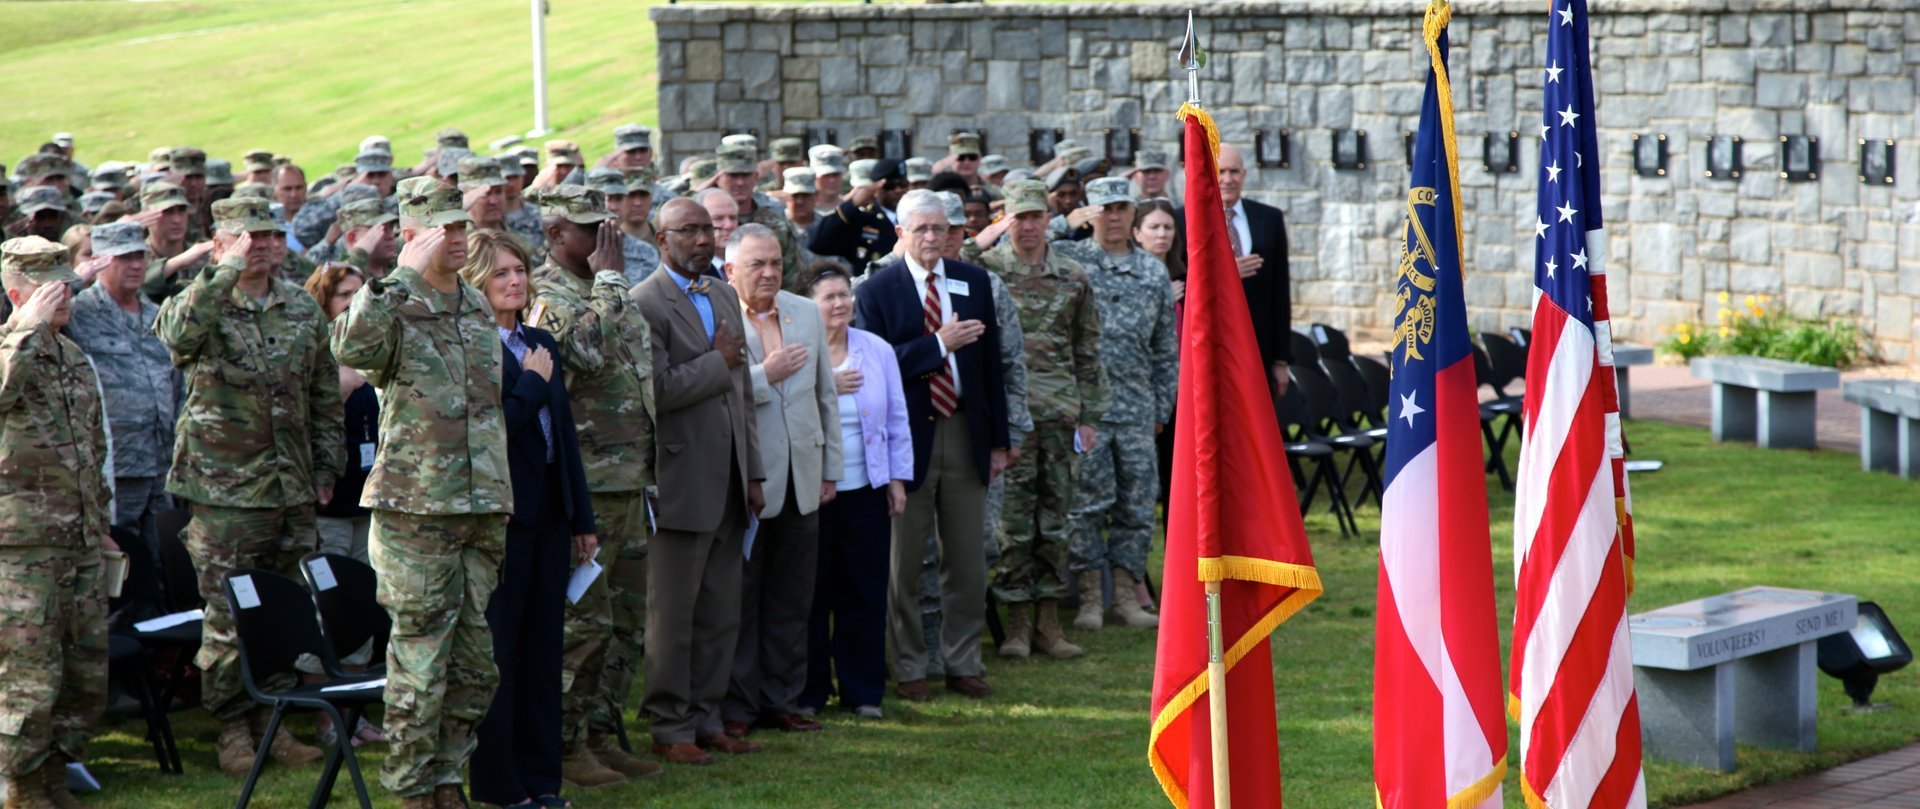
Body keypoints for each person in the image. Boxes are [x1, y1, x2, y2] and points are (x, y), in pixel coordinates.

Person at [329, 177, 512, 809]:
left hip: (481, 504)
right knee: (420, 660)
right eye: (445, 228)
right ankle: (410, 791)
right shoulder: (392, 301)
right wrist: (395, 279)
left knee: (473, 664)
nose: (460, 238)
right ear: (412, 234)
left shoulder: (475, 303)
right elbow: (350, 351)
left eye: (463, 226)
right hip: (416, 507)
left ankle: (446, 779)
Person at [154, 197, 342, 778]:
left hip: (291, 486)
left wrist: (327, 466)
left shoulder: (299, 308)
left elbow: (323, 392)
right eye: (249, 237)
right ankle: (233, 730)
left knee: (285, 610)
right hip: (226, 491)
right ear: (221, 244)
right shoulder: (204, 299)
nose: (262, 247)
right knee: (229, 617)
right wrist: (223, 272)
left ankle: (275, 723)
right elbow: (177, 338)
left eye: (270, 236)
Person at [526, 185, 661, 787]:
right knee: (583, 624)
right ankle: (564, 743)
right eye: (590, 228)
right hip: (587, 486)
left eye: (606, 225)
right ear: (556, 236)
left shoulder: (606, 286)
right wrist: (609, 283)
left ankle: (602, 734)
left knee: (627, 621)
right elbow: (583, 356)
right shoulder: (544, 293)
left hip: (629, 476)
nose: (607, 237)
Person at [852, 190, 1008, 701]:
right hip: (907, 438)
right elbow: (878, 365)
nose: (931, 238)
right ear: (900, 233)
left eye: (939, 229)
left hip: (966, 432)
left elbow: (990, 368)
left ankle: (963, 660)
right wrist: (939, 344)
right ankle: (911, 666)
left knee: (967, 557)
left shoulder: (973, 280)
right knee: (904, 561)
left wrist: (1000, 441)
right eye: (920, 229)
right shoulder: (878, 289)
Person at [464, 229, 599, 809]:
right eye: (501, 273)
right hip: (502, 517)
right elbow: (493, 430)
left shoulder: (540, 340)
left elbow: (564, 438)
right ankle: (501, 787)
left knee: (545, 650)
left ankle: (543, 782)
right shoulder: (471, 345)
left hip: (549, 512)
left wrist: (581, 517)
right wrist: (534, 383)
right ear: (476, 282)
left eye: (519, 270)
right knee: (503, 653)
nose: (515, 281)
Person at [632, 197, 765, 764]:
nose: (702, 240)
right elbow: (654, 391)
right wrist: (716, 360)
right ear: (662, 241)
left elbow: (744, 396)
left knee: (719, 611)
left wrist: (754, 470)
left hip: (731, 479)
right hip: (681, 480)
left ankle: (708, 716)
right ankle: (670, 727)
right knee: (673, 615)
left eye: (707, 229)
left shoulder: (721, 294)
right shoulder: (645, 303)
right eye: (688, 231)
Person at [0, 237, 116, 809]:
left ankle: (52, 774)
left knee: (84, 667)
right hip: (22, 547)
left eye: (66, 281)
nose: (64, 292)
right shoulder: (8, 349)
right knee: (29, 674)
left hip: (80, 538)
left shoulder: (72, 357)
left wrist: (102, 521)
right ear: (17, 291)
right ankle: (20, 785)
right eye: (49, 284)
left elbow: (91, 448)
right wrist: (23, 328)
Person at [977, 179, 1107, 661]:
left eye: (1035, 217)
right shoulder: (986, 271)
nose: (1028, 226)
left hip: (1060, 415)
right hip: (1010, 419)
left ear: (1048, 220)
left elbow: (1088, 349)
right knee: (1012, 524)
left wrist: (1090, 416)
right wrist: (990, 232)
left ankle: (1049, 623)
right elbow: (949, 252)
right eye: (1018, 217)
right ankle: (1015, 625)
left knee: (1055, 522)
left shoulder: (1072, 275)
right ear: (1006, 219)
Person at [721, 224, 842, 739]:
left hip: (803, 477)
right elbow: (714, 391)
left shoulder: (804, 311)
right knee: (741, 599)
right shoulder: (716, 315)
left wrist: (830, 468)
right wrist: (762, 375)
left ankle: (782, 700)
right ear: (730, 271)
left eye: (774, 262)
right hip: (746, 477)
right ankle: (738, 708)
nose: (769, 273)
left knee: (793, 598)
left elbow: (825, 396)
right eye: (756, 265)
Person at [1054, 178, 1175, 631]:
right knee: (1087, 503)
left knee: (1137, 504)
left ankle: (1126, 596)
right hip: (1088, 410)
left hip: (1138, 409)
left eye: (1123, 208)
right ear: (1092, 213)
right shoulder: (1071, 259)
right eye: (1105, 208)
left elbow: (1166, 347)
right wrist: (1064, 222)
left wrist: (1161, 409)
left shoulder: (1151, 271)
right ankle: (1088, 597)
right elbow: (1024, 241)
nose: (1115, 216)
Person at [799, 262, 911, 720]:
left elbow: (897, 420)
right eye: (830, 297)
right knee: (812, 594)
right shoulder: (798, 350)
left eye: (846, 295)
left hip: (867, 488)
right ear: (810, 304)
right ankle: (809, 691)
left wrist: (897, 481)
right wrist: (827, 385)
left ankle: (863, 690)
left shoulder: (877, 349)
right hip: (813, 492)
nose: (841, 303)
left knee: (864, 591)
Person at [67, 222, 177, 592]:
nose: (134, 265)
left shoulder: (156, 312)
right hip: (119, 464)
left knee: (162, 556)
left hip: (161, 459)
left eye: (139, 256)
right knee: (122, 559)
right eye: (123, 258)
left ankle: (157, 638)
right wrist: (75, 280)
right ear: (100, 261)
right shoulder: (79, 311)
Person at [1179, 142, 1292, 396]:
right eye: (1220, 172)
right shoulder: (1184, 219)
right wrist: (1224, 276)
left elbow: (1279, 291)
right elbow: (1179, 285)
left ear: (1244, 175)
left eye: (1233, 171)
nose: (1227, 179)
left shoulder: (1269, 218)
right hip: (1206, 345)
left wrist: (1281, 359)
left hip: (1256, 346)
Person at [301, 263, 376, 563]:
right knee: (333, 595)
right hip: (330, 505)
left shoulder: (374, 348)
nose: (354, 301)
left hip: (367, 501)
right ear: (324, 301)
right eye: (344, 294)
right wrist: (342, 386)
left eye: (360, 293)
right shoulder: (312, 351)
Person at [713, 143, 805, 292]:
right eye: (733, 175)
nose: (740, 182)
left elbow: (792, 279)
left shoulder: (775, 223)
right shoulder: (703, 222)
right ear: (718, 178)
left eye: (746, 175)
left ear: (756, 176)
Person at [809, 159, 906, 277]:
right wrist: (853, 203)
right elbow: (817, 243)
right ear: (876, 188)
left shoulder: (914, 217)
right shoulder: (862, 219)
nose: (898, 190)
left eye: (903, 184)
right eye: (890, 186)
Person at [132, 182, 213, 301]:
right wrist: (177, 263)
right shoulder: (134, 259)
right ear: (146, 215)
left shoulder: (204, 256)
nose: (177, 220)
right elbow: (133, 290)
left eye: (182, 210)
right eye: (167, 212)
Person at [586, 168, 661, 285]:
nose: (613, 207)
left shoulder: (645, 252)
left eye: (619, 199)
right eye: (607, 199)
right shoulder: (575, 248)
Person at [695, 188, 740, 278]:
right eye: (718, 218)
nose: (729, 225)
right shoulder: (689, 271)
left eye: (733, 217)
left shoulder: (748, 263)